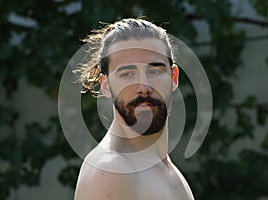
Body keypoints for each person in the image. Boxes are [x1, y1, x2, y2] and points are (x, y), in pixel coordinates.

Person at [74, 18, 195, 200]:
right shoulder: (111, 171)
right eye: (127, 74)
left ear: (174, 77)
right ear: (106, 85)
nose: (143, 86)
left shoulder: (168, 171)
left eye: (155, 71)